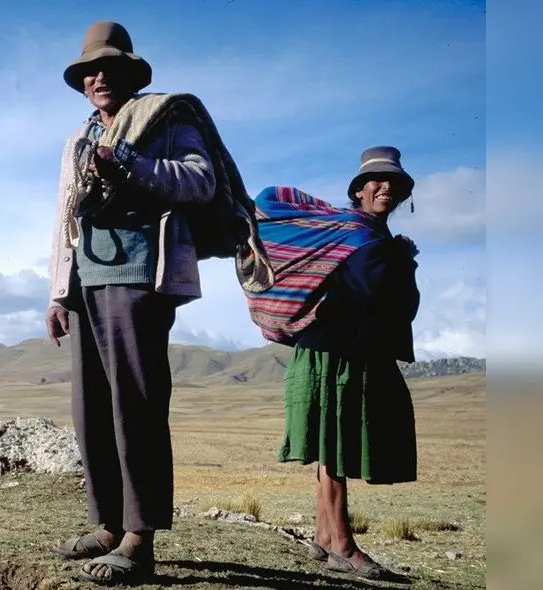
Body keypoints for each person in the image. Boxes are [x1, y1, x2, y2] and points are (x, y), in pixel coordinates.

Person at [45, 20, 271, 585]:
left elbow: (201, 180)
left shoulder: (166, 119)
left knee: (137, 405)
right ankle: (107, 524)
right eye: (89, 71)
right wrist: (57, 292)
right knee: (92, 408)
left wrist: (131, 165)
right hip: (87, 280)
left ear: (130, 73)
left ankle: (138, 539)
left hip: (140, 276)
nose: (98, 78)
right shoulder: (77, 138)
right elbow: (63, 216)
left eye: (108, 67)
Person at [264, 146, 421, 580]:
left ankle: (323, 535)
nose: (386, 188)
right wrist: (400, 262)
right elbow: (368, 292)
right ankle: (343, 546)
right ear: (358, 190)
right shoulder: (351, 232)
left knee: (334, 442)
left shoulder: (378, 238)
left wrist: (398, 259)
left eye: (395, 183)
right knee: (334, 445)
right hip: (331, 350)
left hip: (353, 350)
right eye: (377, 180)